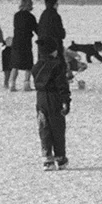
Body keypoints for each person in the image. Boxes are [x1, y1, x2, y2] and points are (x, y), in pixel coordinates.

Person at [33, 38, 72, 170]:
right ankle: (60, 158)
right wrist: (66, 101)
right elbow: (62, 84)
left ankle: (47, 158)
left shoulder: (37, 66)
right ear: (53, 51)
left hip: (40, 99)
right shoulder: (57, 65)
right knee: (57, 128)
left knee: (44, 127)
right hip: (54, 99)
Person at [7, 0, 37, 91]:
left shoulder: (16, 15)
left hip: (16, 42)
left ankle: (12, 84)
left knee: (15, 65)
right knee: (28, 65)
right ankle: (26, 84)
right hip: (26, 42)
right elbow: (36, 29)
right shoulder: (31, 17)